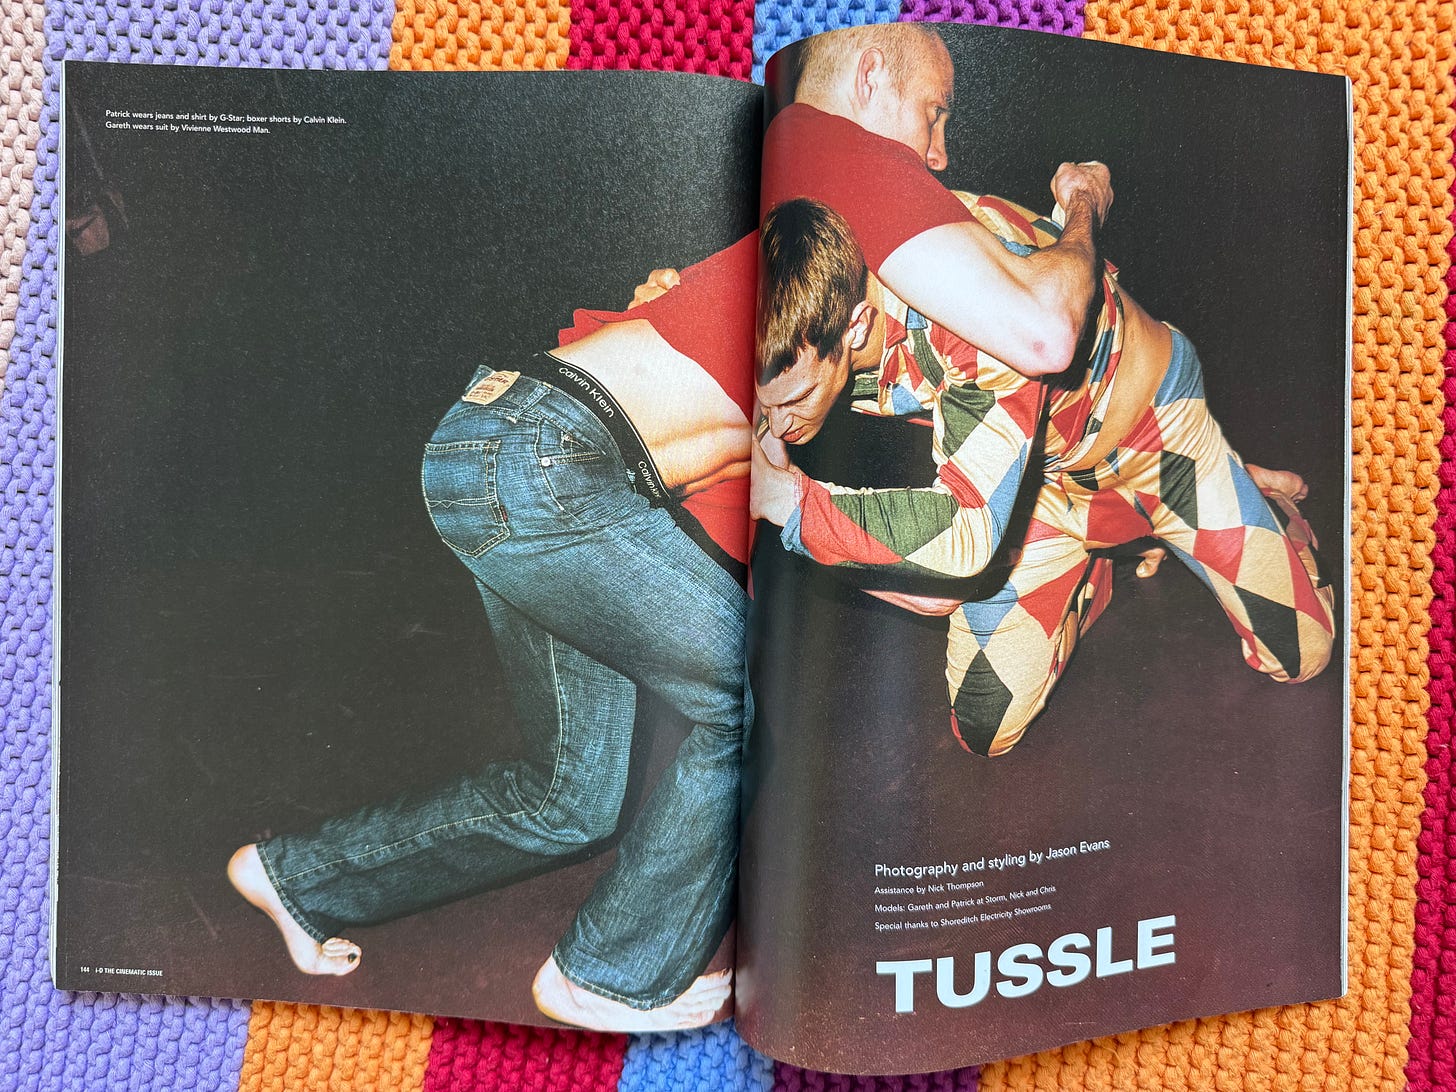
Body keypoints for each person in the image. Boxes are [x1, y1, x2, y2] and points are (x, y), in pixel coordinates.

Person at [228, 233, 758, 1031]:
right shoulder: (842, 272)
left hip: (507, 449)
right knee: (754, 699)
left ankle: (297, 876)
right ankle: (606, 975)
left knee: (570, 796)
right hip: (550, 460)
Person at [750, 195, 1335, 756]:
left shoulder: (965, 302)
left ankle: (1243, 498)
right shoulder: (811, 304)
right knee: (985, 722)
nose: (778, 424)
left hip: (1158, 446)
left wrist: (794, 504)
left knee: (1302, 654)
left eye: (795, 399)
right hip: (1037, 486)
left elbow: (959, 546)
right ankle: (1099, 558)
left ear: (855, 328)